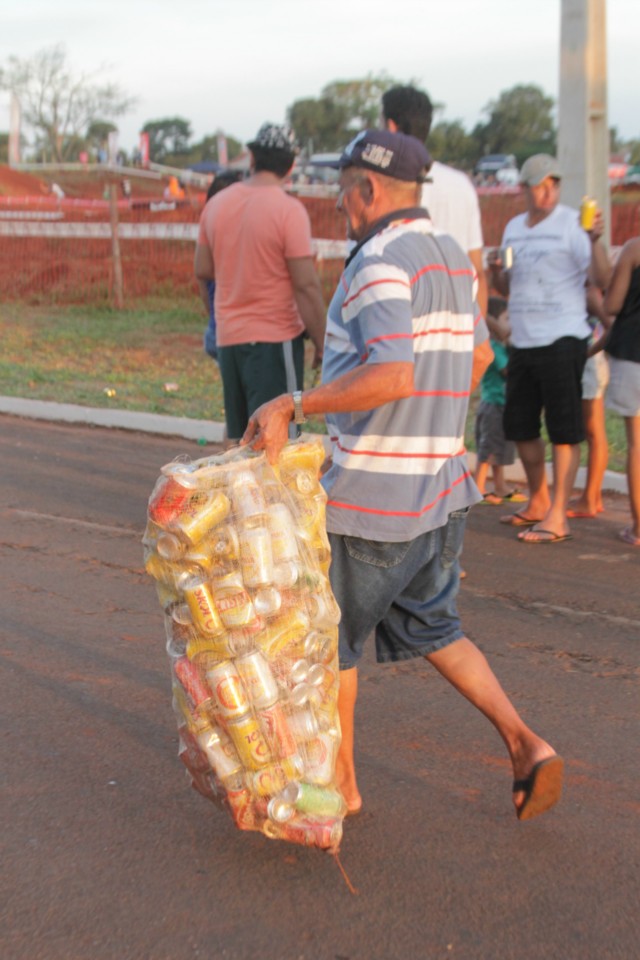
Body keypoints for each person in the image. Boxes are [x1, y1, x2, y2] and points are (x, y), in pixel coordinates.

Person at [242, 129, 563, 823]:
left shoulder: (378, 261)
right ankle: (526, 743)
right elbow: (476, 360)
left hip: (373, 502)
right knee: (436, 628)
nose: (337, 203)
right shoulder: (449, 257)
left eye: (342, 189)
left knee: (332, 642)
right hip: (441, 493)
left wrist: (294, 404)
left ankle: (343, 788)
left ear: (369, 190)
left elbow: (391, 372)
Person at [488, 154, 612, 544]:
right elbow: (508, 288)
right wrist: (495, 272)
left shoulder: (574, 224)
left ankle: (559, 515)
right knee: (520, 425)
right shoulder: (513, 228)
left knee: (564, 430)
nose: (548, 191)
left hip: (563, 337)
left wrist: (594, 242)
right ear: (524, 188)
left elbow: (603, 278)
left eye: (554, 185)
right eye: (541, 184)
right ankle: (539, 501)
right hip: (523, 338)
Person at [194, 122, 326, 443]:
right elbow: (306, 286)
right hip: (276, 342)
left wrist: (222, 316)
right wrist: (324, 343)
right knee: (283, 439)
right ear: (291, 165)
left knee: (241, 443)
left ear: (251, 158)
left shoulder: (217, 205)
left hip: (229, 341)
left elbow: (203, 269)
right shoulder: (289, 210)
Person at [381, 85, 488, 318]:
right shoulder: (461, 185)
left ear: (390, 126)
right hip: (457, 325)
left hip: (401, 324)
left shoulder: (382, 188)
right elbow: (476, 269)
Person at [601, 236, 640, 546]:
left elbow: (612, 305)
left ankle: (639, 528)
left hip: (632, 353)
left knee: (636, 446)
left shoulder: (634, 249)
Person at [474, 296, 527, 504]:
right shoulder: (494, 347)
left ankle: (499, 485)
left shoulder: (499, 346)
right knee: (488, 447)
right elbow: (508, 371)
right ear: (494, 322)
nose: (511, 323)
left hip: (501, 404)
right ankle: (478, 487)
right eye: (507, 318)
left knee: (500, 447)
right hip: (494, 404)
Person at [567, 284, 613, 519]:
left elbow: (609, 327)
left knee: (594, 432)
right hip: (591, 361)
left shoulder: (591, 288)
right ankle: (592, 496)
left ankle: (590, 498)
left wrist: (587, 353)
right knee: (593, 432)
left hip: (590, 363)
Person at [198, 171, 244, 364]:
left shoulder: (208, 229)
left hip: (217, 329)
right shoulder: (237, 239)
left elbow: (201, 275)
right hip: (238, 336)